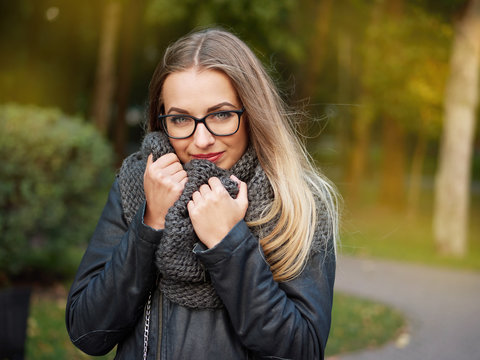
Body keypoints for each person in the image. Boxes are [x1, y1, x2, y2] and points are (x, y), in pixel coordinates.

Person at [66, 28, 338, 360]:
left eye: (221, 114)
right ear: (161, 118)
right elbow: (86, 332)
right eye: (181, 119)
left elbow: (302, 350)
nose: (202, 140)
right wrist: (149, 223)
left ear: (252, 112)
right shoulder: (139, 186)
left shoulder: (297, 201)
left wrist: (229, 243)